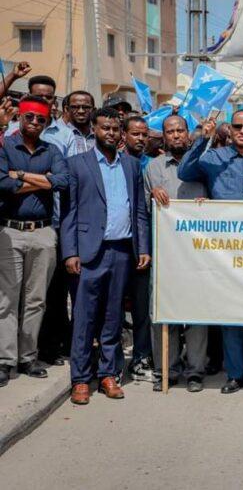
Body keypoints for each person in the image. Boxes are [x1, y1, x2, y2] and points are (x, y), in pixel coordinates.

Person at [178, 110, 243, 395]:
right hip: (225, 250)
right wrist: (203, 138)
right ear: (230, 130)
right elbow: (184, 172)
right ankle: (236, 375)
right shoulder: (214, 157)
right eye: (237, 126)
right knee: (230, 314)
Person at [62, 107, 150, 405]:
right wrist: (70, 252)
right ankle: (80, 379)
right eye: (105, 128)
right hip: (89, 253)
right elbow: (69, 212)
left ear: (121, 132)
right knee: (85, 319)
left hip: (122, 250)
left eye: (115, 129)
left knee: (113, 317)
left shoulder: (131, 165)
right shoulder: (77, 164)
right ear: (94, 130)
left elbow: (139, 210)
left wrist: (143, 247)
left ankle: (109, 374)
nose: (110, 133)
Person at [0, 96, 68, 387]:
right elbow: (3, 183)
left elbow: (63, 181)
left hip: (43, 232)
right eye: (30, 117)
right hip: (10, 231)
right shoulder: (5, 147)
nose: (35, 122)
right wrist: (43, 179)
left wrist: (21, 176)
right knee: (6, 299)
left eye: (41, 119)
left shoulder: (52, 150)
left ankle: (28, 357)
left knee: (36, 300)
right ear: (20, 117)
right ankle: (5, 360)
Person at [144, 115, 209, 392]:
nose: (176, 135)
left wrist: (208, 204)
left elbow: (220, 203)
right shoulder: (153, 167)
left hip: (198, 254)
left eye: (180, 130)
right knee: (163, 313)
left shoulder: (203, 163)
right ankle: (166, 370)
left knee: (196, 313)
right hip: (165, 254)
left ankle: (195, 370)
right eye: (170, 132)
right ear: (164, 136)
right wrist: (152, 194)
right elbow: (144, 209)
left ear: (188, 133)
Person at [38, 90, 96, 367]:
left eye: (86, 106)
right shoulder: (54, 137)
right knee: (56, 291)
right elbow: (56, 179)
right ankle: (52, 347)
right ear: (66, 108)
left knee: (84, 290)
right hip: (61, 220)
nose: (81, 111)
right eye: (76, 106)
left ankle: (79, 344)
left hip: (91, 224)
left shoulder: (99, 137)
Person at [121, 116, 154, 381]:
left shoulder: (153, 165)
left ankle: (142, 356)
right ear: (124, 135)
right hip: (119, 245)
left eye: (144, 134)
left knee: (143, 308)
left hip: (145, 246)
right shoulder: (116, 162)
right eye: (135, 134)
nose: (140, 139)